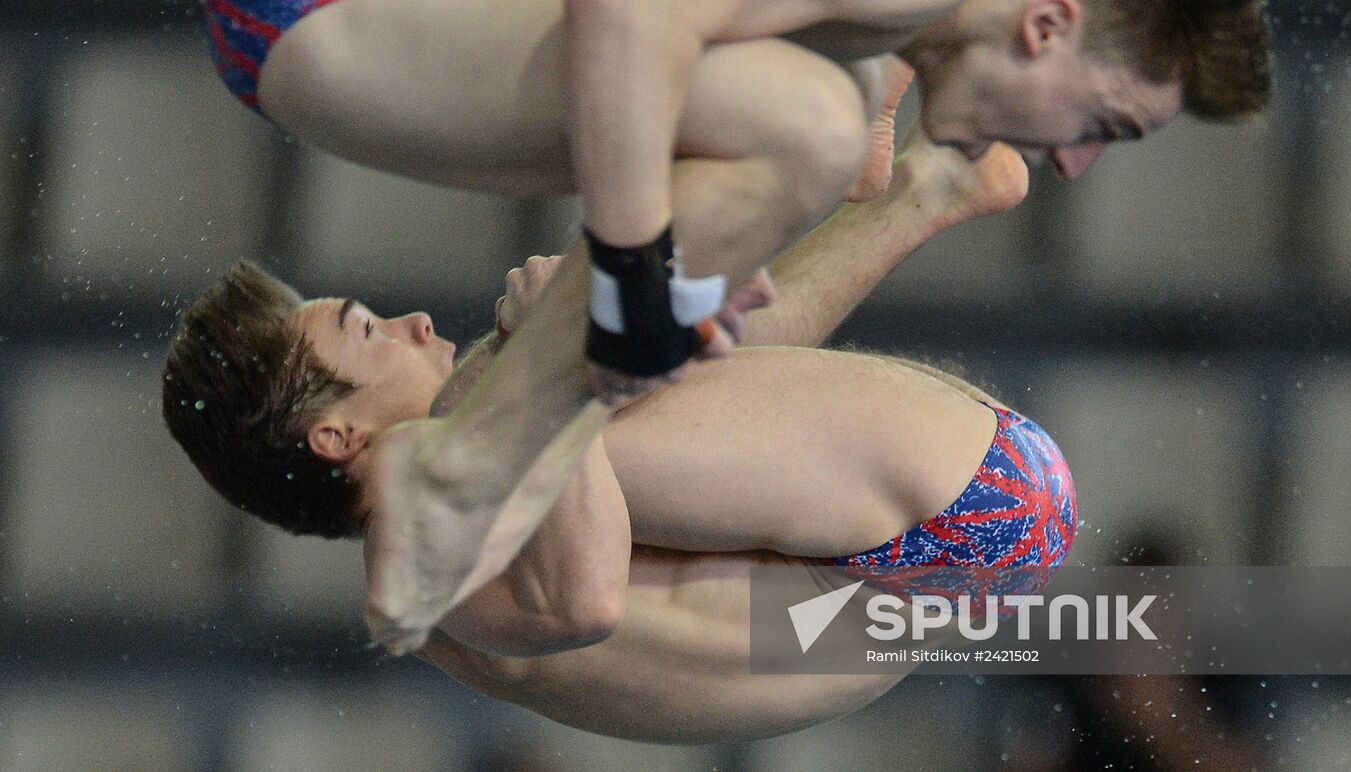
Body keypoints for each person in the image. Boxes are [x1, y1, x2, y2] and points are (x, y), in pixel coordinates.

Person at [201, 0, 1270, 646]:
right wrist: (630, 283)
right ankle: (484, 456)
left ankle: (532, 415)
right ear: (1044, 27)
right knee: (798, 123)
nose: (1076, 162)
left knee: (810, 126)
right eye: (1102, 124)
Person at [163, 140, 1071, 741]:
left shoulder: (452, 564)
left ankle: (918, 198)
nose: (410, 321)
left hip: (934, 565)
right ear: (336, 435)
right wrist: (553, 345)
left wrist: (572, 352)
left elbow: (730, 431)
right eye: (367, 332)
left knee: (559, 377)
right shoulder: (428, 508)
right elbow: (586, 604)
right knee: (512, 384)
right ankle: (837, 172)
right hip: (960, 516)